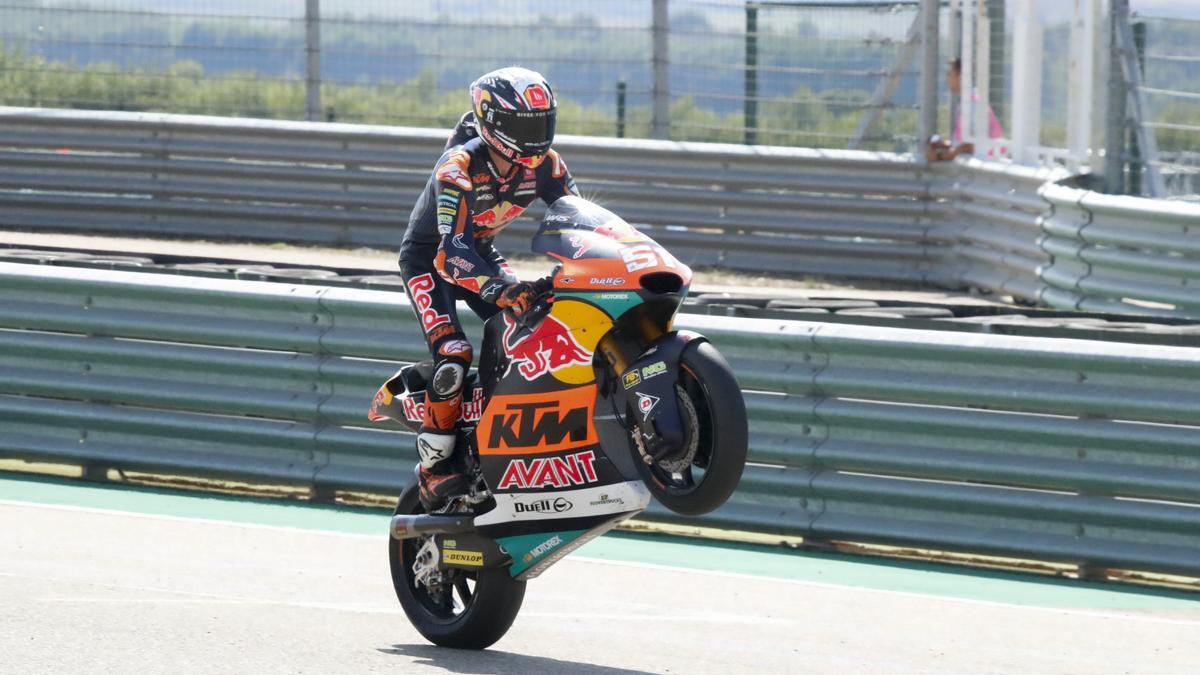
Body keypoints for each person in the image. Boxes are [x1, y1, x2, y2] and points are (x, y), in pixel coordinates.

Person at [398, 66, 579, 510]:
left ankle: (504, 429)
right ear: (493, 122)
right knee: (454, 353)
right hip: (431, 261)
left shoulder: (548, 166)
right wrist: (500, 290)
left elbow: (580, 222)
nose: (536, 136)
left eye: (542, 123)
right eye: (524, 125)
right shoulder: (457, 167)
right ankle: (434, 468)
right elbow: (451, 254)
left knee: (534, 326)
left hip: (480, 253)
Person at [927, 57, 1005, 161]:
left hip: (987, 163)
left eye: (950, 74)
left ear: (961, 76)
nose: (947, 78)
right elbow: (963, 143)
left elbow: (974, 144)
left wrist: (942, 156)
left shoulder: (974, 103)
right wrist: (943, 145)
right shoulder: (967, 101)